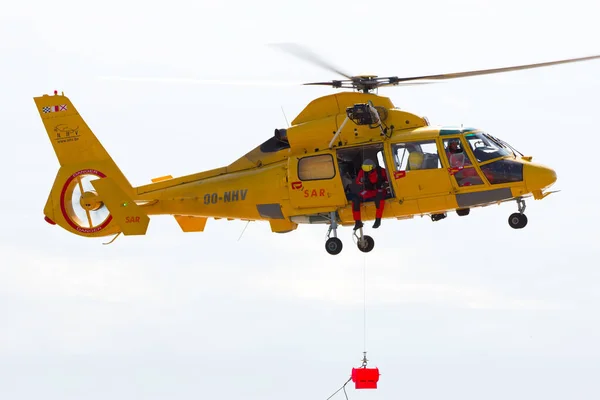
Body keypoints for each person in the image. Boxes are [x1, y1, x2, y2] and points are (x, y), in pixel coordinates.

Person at [352, 159, 388, 230]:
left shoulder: (381, 171)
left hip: (379, 190)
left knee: (380, 198)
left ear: (372, 167)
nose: (366, 170)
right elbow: (358, 181)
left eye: (367, 168)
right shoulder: (362, 172)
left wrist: (385, 184)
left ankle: (378, 220)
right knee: (355, 199)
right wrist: (361, 181)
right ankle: (357, 222)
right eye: (365, 168)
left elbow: (388, 179)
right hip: (368, 191)